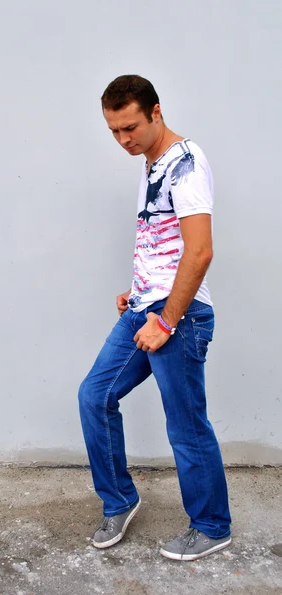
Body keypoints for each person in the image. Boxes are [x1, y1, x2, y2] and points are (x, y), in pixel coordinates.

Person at [78, 75, 231, 561]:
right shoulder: (153, 162)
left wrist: (164, 320)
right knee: (94, 395)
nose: (124, 140)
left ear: (156, 112)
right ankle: (120, 499)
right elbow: (163, 242)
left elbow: (200, 251)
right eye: (114, 131)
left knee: (186, 425)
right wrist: (140, 289)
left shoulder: (186, 163)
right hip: (149, 306)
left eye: (130, 128)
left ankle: (211, 525)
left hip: (178, 319)